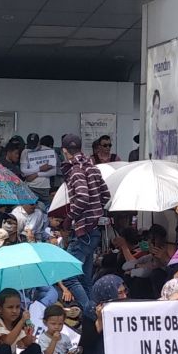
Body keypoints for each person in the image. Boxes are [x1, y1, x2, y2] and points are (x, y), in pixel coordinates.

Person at [60, 134, 110, 320]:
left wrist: (69, 218)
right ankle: (94, 319)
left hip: (83, 231)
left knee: (69, 276)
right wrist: (95, 213)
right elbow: (105, 195)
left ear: (64, 151)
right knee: (85, 279)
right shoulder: (93, 167)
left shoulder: (76, 171)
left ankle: (91, 314)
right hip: (94, 229)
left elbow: (82, 197)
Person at [20, 133, 57, 204]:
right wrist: (40, 168)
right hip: (30, 186)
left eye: (34, 145)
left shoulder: (49, 151)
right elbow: (23, 172)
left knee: (46, 209)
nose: (32, 148)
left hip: (45, 187)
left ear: (39, 142)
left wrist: (36, 174)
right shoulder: (25, 151)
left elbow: (53, 172)